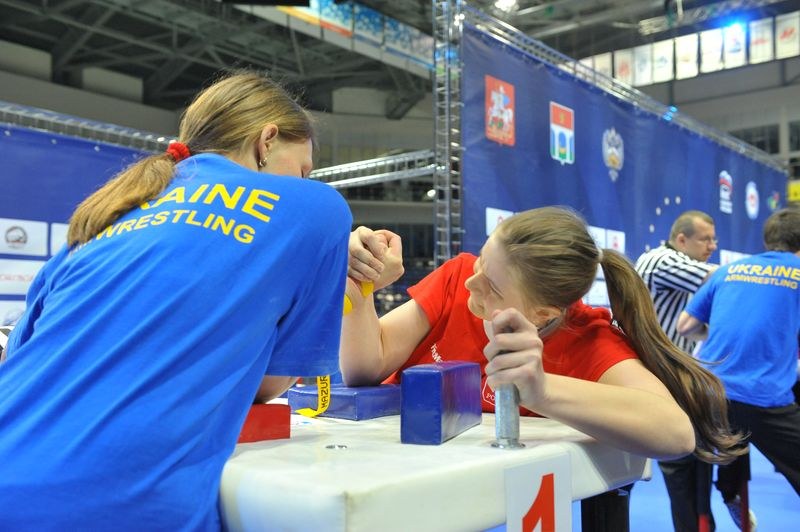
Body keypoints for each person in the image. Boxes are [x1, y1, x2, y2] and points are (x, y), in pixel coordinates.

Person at [0, 70, 353, 530]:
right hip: (108, 503)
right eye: (302, 169)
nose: (304, 181)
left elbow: (19, 355)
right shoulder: (316, 206)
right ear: (266, 142)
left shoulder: (110, 212)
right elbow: (268, 386)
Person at [341, 206, 744, 466]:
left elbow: (675, 433)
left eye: (493, 287)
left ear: (543, 314)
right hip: (381, 465)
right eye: (480, 261)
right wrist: (359, 287)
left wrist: (542, 390)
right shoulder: (456, 276)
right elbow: (365, 368)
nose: (471, 285)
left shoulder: (589, 340)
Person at [678, 207, 800, 506]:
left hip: (708, 396)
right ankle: (732, 489)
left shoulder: (728, 270)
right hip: (761, 400)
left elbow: (685, 327)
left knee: (735, 431)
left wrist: (725, 332)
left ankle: (731, 489)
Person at [635, 210, 729, 532]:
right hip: (649, 378)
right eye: (706, 239)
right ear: (681, 240)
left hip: (670, 377)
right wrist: (760, 274)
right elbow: (723, 277)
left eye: (715, 239)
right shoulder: (663, 261)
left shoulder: (682, 272)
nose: (712, 245)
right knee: (681, 464)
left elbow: (690, 328)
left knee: (694, 462)